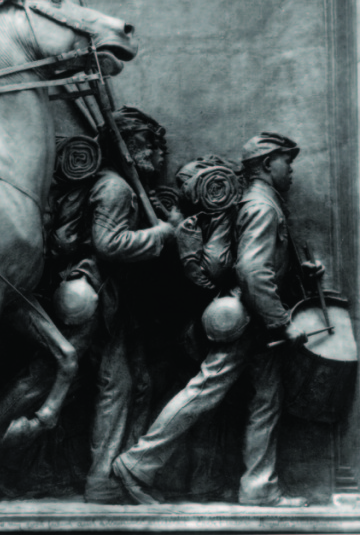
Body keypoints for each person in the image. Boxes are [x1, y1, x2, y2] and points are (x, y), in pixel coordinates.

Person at [113, 132, 321, 508]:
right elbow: (253, 269)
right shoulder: (261, 206)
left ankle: (259, 488)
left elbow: (263, 262)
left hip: (253, 317)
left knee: (263, 399)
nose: (290, 170)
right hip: (254, 320)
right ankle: (136, 463)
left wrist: (300, 272)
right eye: (286, 161)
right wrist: (279, 321)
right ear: (267, 163)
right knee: (207, 390)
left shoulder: (261, 202)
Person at [82, 107, 180, 504]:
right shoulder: (115, 187)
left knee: (136, 385)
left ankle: (122, 473)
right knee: (117, 387)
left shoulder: (124, 185)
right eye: (146, 143)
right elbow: (108, 244)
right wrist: (163, 233)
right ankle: (102, 479)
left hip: (124, 304)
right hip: (105, 300)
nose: (156, 152)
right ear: (125, 146)